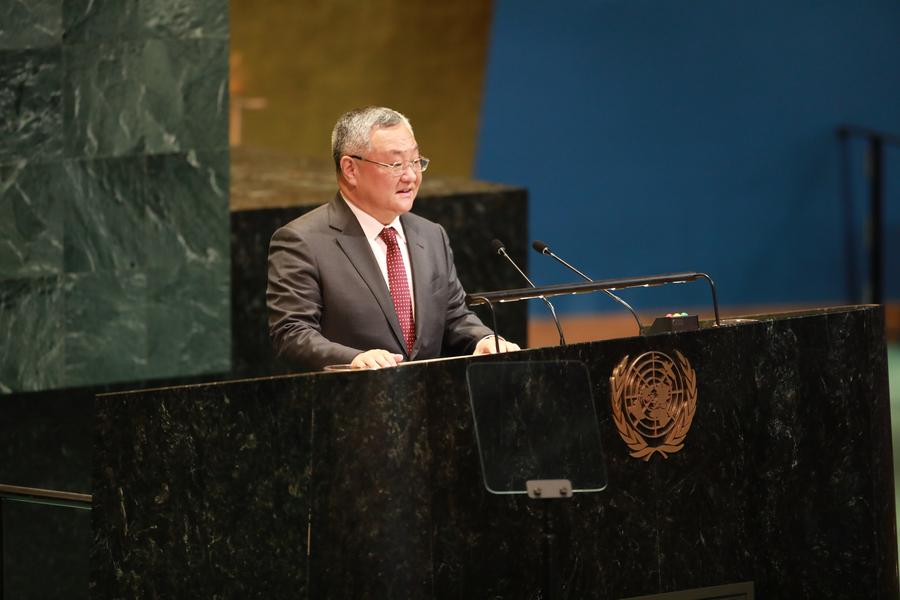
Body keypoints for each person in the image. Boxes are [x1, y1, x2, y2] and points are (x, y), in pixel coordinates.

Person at [267, 106, 520, 371]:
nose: (410, 176)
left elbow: (454, 315)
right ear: (350, 169)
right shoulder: (302, 241)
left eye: (415, 161)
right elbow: (291, 333)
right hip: (351, 393)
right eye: (396, 164)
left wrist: (484, 339)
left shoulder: (431, 235)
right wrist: (353, 358)